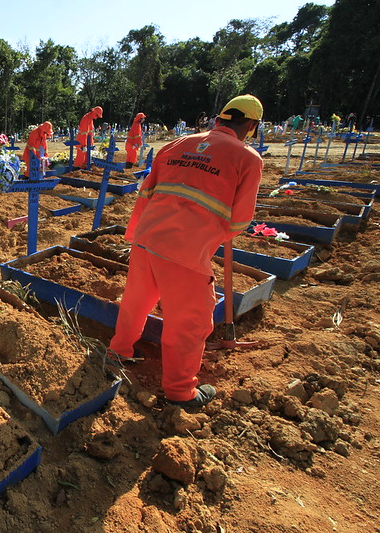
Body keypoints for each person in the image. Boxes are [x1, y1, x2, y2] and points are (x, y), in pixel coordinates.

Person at [108, 94, 264, 408]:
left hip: (148, 237)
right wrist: (212, 234)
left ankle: (118, 352)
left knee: (137, 301)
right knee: (190, 323)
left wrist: (137, 232)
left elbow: (147, 192)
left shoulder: (176, 145)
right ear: (251, 125)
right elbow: (240, 221)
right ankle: (180, 391)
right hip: (186, 252)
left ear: (220, 117)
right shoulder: (248, 159)